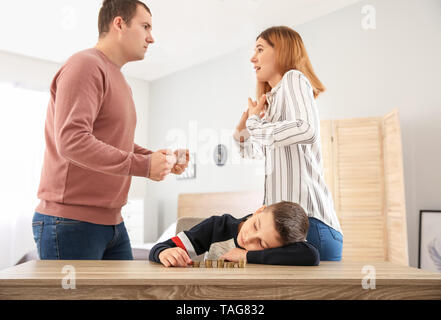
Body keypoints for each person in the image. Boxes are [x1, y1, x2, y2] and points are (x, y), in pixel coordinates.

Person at [32, 0, 189, 260]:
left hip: (113, 223)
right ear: (119, 23)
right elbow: (73, 141)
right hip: (70, 222)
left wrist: (157, 158)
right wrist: (143, 166)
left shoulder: (120, 80)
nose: (151, 38)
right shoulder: (85, 65)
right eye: (145, 26)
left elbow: (116, 142)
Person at [233, 26, 343, 261]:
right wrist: (242, 131)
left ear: (282, 50)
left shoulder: (293, 78)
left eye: (260, 49)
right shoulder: (273, 105)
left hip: (309, 226)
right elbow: (253, 152)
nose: (253, 58)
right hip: (285, 231)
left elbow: (306, 129)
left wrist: (254, 123)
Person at [149, 201, 319, 267]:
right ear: (259, 211)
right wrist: (164, 252)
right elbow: (159, 248)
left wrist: (247, 256)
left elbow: (311, 255)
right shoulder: (216, 226)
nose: (249, 238)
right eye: (255, 225)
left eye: (261, 244)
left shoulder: (285, 249)